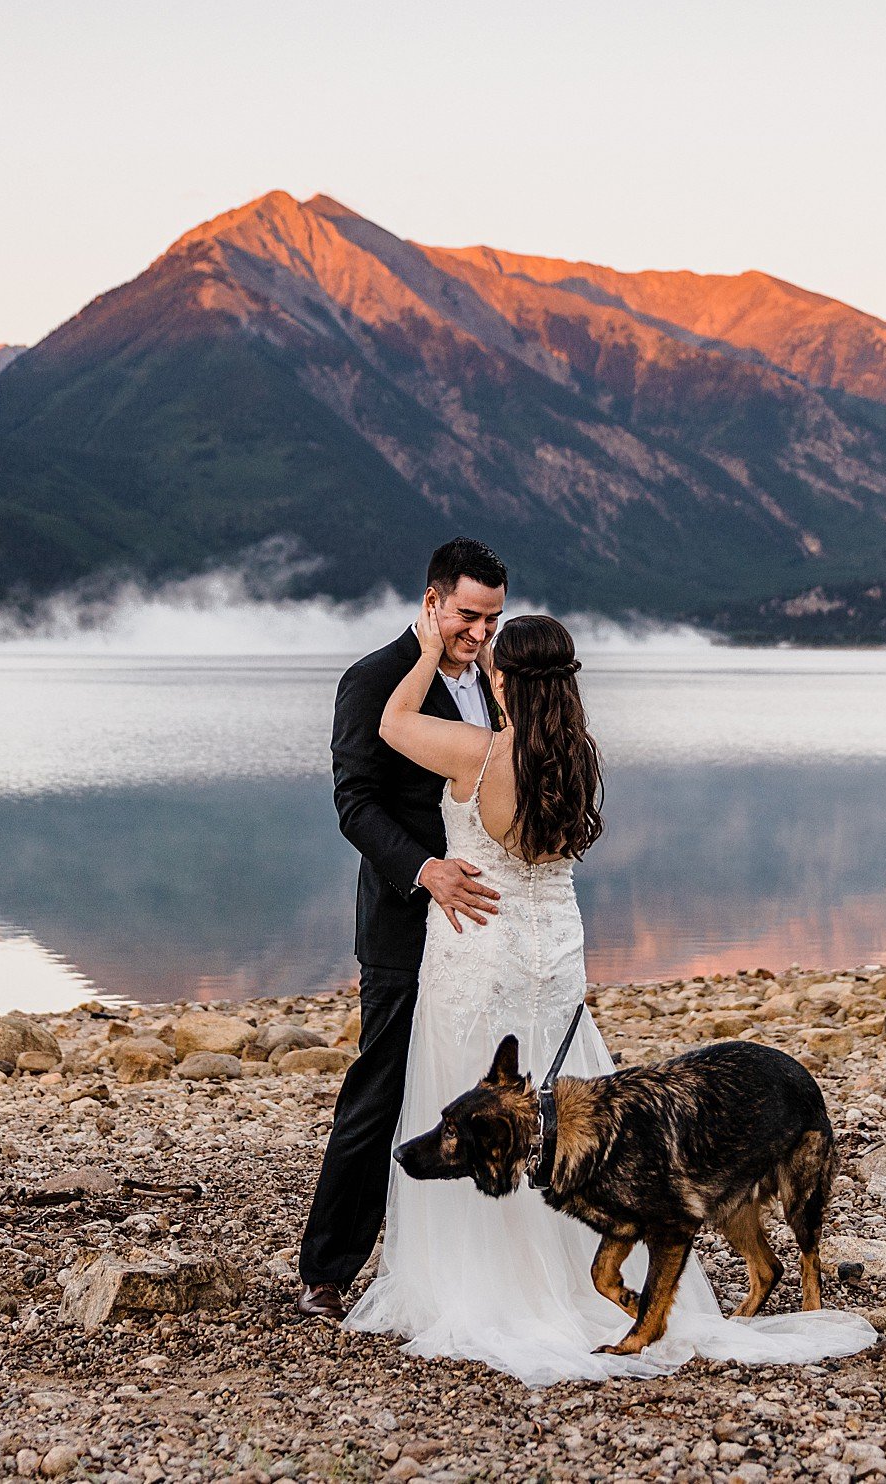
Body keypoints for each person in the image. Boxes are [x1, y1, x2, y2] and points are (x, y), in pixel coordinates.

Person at [335, 592, 878, 1384]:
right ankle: (573, 1274)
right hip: (553, 961)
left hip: (481, 955)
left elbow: (388, 727)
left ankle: (484, 1287)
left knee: (472, 1112)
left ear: (506, 679)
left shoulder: (479, 755)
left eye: (493, 659)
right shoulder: (576, 754)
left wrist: (425, 652)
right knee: (569, 1118)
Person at [297, 537, 512, 1318]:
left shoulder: (495, 682)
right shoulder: (373, 680)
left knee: (483, 1085)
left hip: (484, 922)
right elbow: (355, 803)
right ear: (431, 603)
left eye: (492, 618)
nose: (481, 633)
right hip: (404, 918)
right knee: (380, 1088)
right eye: (467, 616)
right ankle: (327, 1269)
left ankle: (474, 1262)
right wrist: (426, 871)